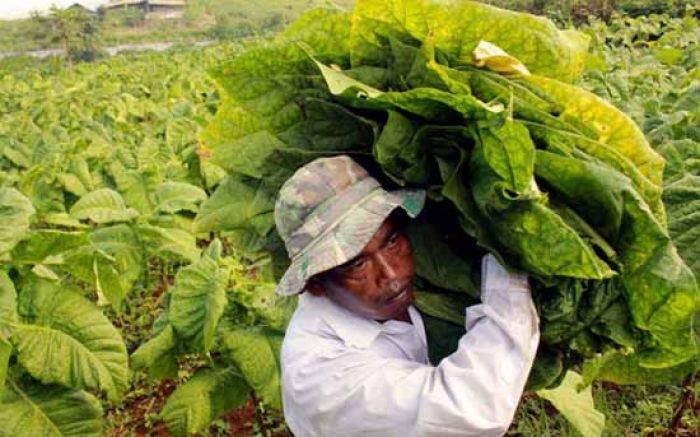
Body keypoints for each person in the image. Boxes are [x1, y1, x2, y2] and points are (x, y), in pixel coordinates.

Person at [274, 155, 540, 437]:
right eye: (357, 264)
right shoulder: (319, 377)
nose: (391, 274)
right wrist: (511, 263)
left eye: (391, 241)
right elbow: (470, 408)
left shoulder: (388, 299)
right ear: (315, 284)